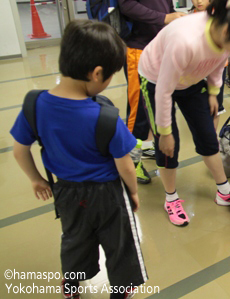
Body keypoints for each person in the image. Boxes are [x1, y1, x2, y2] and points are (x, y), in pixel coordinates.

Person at [10, 20, 147, 299]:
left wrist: (36, 179)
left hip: (67, 192)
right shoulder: (105, 116)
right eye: (110, 77)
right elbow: (125, 165)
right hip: (108, 194)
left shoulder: (34, 105)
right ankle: (120, 291)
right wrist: (132, 192)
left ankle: (71, 287)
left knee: (74, 239)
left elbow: (19, 149)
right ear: (97, 74)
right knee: (120, 243)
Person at [138, 0, 230, 226]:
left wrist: (212, 92)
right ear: (228, 31)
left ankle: (223, 191)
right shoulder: (186, 40)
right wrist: (164, 131)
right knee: (169, 145)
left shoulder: (225, 35)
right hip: (156, 79)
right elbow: (163, 90)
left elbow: (217, 63)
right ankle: (170, 198)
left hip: (191, 79)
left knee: (208, 135)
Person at [118, 0, 186, 183]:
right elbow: (127, 5)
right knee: (137, 108)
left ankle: (142, 147)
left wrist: (173, 18)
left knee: (156, 103)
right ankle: (130, 161)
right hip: (138, 48)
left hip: (160, 47)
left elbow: (167, 6)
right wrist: (164, 18)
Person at [189, 0, 226, 130]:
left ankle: (213, 136)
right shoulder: (188, 18)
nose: (198, 1)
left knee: (216, 103)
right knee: (198, 102)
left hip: (217, 67)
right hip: (196, 68)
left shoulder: (219, 16)